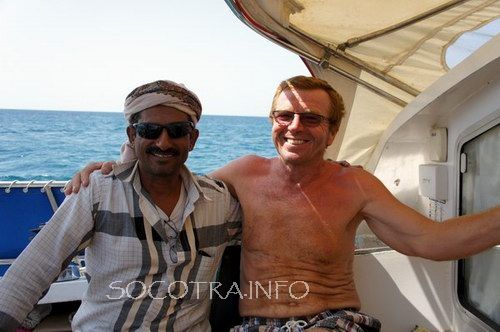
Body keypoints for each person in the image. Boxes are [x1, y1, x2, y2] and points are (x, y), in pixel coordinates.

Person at [68, 76, 500, 332]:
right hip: (254, 324)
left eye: (311, 118)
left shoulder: (356, 184)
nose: (296, 126)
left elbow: (431, 241)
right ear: (272, 122)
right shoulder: (243, 173)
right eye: (285, 116)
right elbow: (168, 185)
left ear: (331, 132)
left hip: (332, 321)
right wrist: (114, 165)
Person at [0, 80, 242, 331]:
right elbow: (33, 270)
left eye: (177, 131)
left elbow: (269, 225)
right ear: (132, 135)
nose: (163, 142)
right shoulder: (99, 191)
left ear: (192, 139)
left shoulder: (219, 202)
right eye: (150, 130)